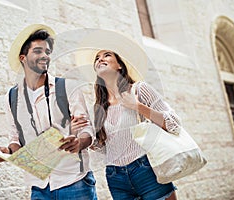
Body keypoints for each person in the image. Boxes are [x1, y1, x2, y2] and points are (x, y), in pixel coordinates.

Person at [0, 24, 97, 200]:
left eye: (47, 52)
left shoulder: (68, 87)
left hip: (74, 182)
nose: (45, 56)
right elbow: (15, 139)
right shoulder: (11, 97)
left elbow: (87, 130)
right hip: (38, 186)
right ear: (23, 58)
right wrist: (6, 153)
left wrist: (79, 143)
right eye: (38, 51)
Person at [72, 30, 181, 200]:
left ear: (119, 65)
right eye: (97, 58)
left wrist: (137, 106)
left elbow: (174, 124)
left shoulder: (139, 89)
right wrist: (88, 138)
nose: (100, 59)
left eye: (107, 55)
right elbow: (107, 148)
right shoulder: (99, 106)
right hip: (116, 177)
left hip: (146, 169)